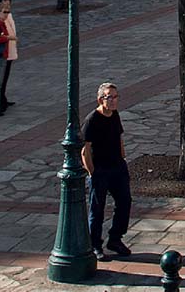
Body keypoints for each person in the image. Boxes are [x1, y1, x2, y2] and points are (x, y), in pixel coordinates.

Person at [82, 81, 132, 261]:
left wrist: (123, 158)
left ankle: (115, 238)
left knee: (124, 202)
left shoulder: (115, 115)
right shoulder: (91, 120)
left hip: (117, 166)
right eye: (108, 97)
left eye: (115, 97)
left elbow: (119, 138)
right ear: (100, 99)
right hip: (100, 169)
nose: (112, 101)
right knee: (97, 208)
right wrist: (91, 171)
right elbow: (85, 149)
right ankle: (95, 244)